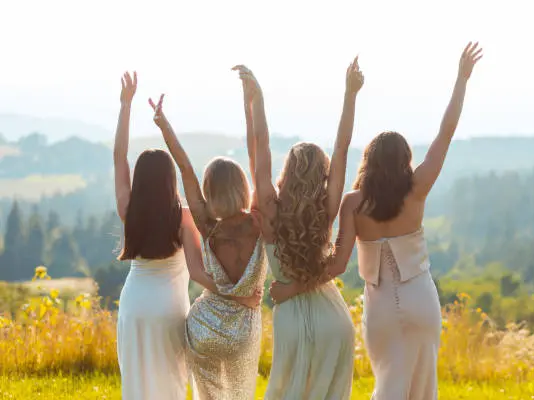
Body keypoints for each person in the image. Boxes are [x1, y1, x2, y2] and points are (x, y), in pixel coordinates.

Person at [271, 42, 483, 399]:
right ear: (405, 160)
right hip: (420, 298)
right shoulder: (416, 191)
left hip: (381, 305)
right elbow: (445, 134)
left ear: (367, 161)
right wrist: (461, 80)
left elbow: (336, 266)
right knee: (422, 388)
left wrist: (292, 288)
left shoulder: (353, 204)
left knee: (388, 384)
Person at [234, 57, 364, 399]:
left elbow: (258, 149)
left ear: (287, 172)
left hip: (291, 319)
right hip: (333, 319)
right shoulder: (327, 209)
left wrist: (255, 100)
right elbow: (342, 146)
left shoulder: (271, 209)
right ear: (322, 174)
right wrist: (350, 95)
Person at [148, 81, 265, 399]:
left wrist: (163, 124)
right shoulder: (259, 223)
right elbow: (256, 157)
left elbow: (185, 168)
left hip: (203, 326)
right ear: (243, 187)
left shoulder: (207, 225)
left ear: (210, 192)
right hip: (243, 329)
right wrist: (249, 102)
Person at [114, 71, 223, 400]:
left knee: (137, 385)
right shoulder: (183, 218)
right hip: (168, 310)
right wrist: (236, 291)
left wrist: (125, 105)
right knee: (171, 387)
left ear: (141, 181)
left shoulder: (128, 209)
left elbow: (119, 156)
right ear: (169, 181)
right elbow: (198, 273)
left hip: (133, 306)